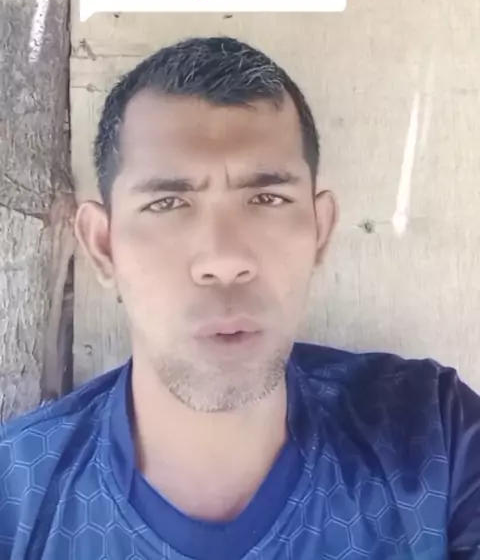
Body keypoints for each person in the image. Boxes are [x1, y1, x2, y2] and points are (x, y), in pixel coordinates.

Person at [1, 35, 479, 559]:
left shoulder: (435, 441)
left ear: (319, 232)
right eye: (167, 203)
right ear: (102, 245)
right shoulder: (15, 499)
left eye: (267, 198)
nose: (224, 259)